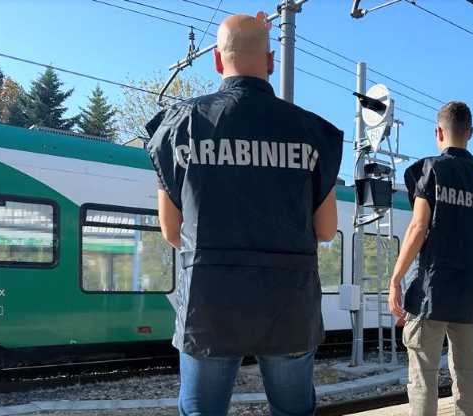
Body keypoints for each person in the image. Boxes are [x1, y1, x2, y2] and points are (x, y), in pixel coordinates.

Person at [145, 14, 343, 416]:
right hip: (289, 304)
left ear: (218, 61)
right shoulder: (312, 132)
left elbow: (171, 230)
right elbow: (326, 230)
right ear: (271, 62)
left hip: (209, 303)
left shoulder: (178, 126)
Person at [388, 101, 473, 416]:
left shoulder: (431, 171)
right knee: (467, 375)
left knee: (424, 377)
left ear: (439, 132)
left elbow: (418, 227)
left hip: (431, 293)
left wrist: (396, 278)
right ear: (471, 133)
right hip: (469, 297)